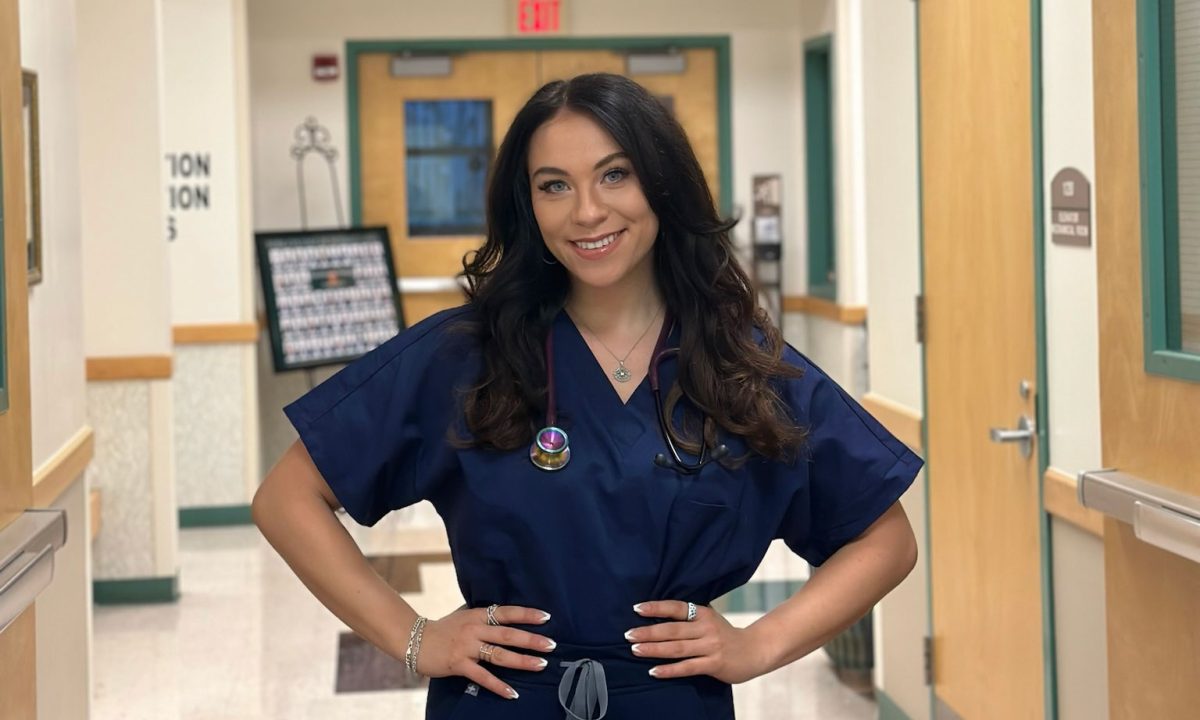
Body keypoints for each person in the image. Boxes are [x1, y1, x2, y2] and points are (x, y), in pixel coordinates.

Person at [254, 72, 921, 720]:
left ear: (662, 183)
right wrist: (416, 636)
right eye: (554, 186)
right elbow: (287, 499)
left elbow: (885, 540)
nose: (587, 211)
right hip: (505, 701)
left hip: (671, 701)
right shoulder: (464, 355)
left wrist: (758, 644)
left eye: (615, 174)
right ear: (528, 204)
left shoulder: (738, 366)